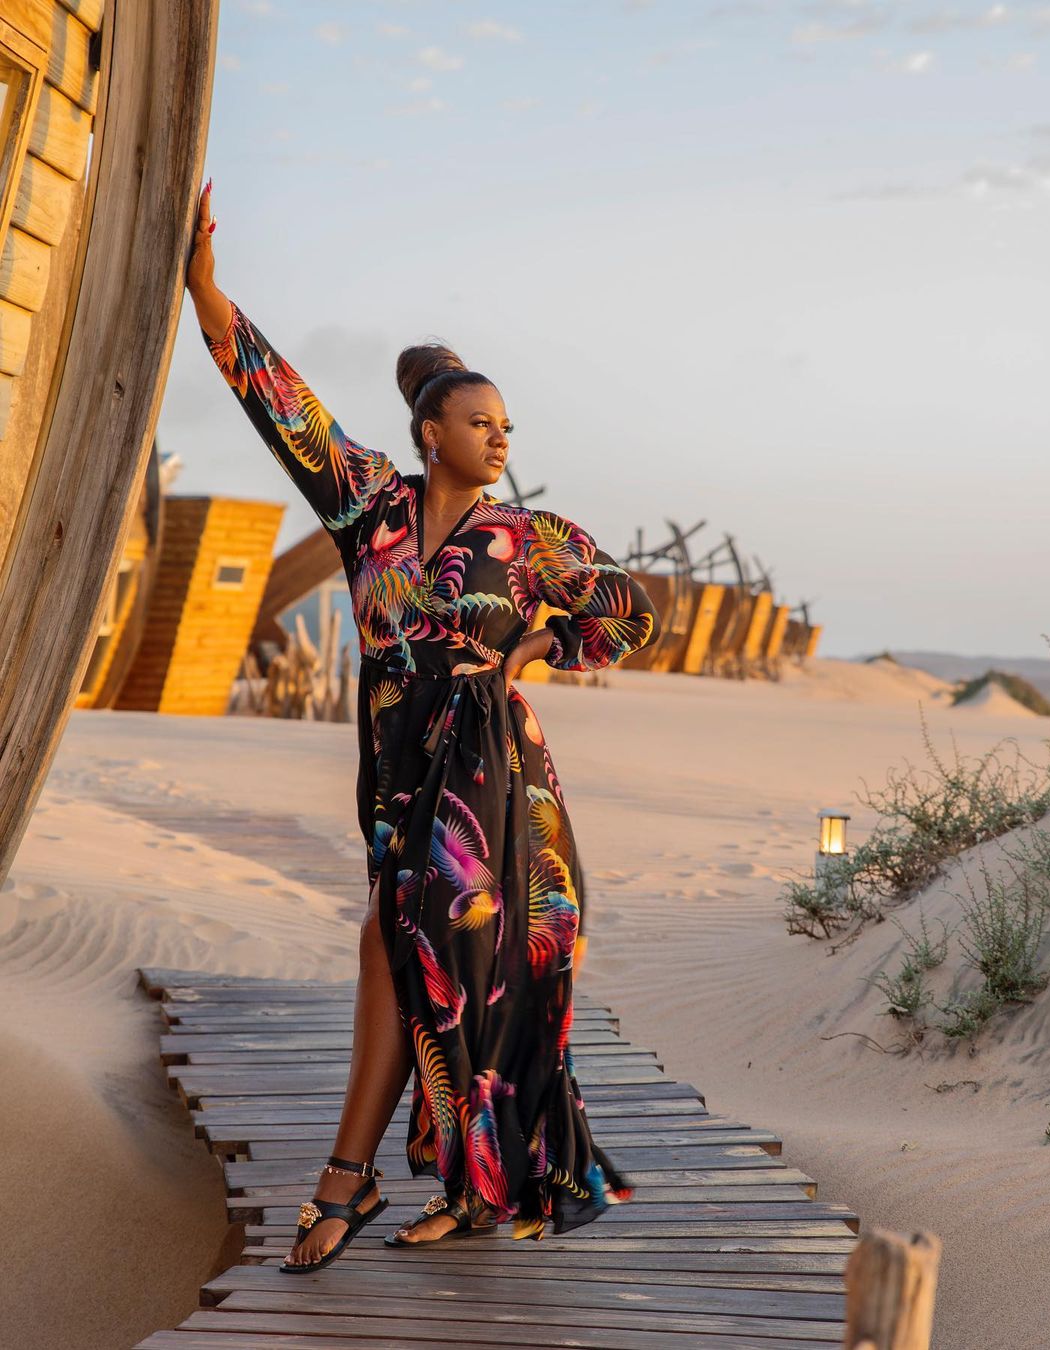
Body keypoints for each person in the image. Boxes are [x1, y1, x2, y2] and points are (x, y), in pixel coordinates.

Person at [186, 180, 661, 1270]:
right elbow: (283, 405)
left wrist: (539, 650)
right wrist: (205, 289)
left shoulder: (527, 537)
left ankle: (345, 1181)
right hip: (399, 770)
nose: (500, 438)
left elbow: (631, 611)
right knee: (431, 969)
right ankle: (473, 1187)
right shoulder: (368, 509)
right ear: (429, 430)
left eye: (508, 426)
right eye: (481, 422)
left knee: (414, 953)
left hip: (495, 774)